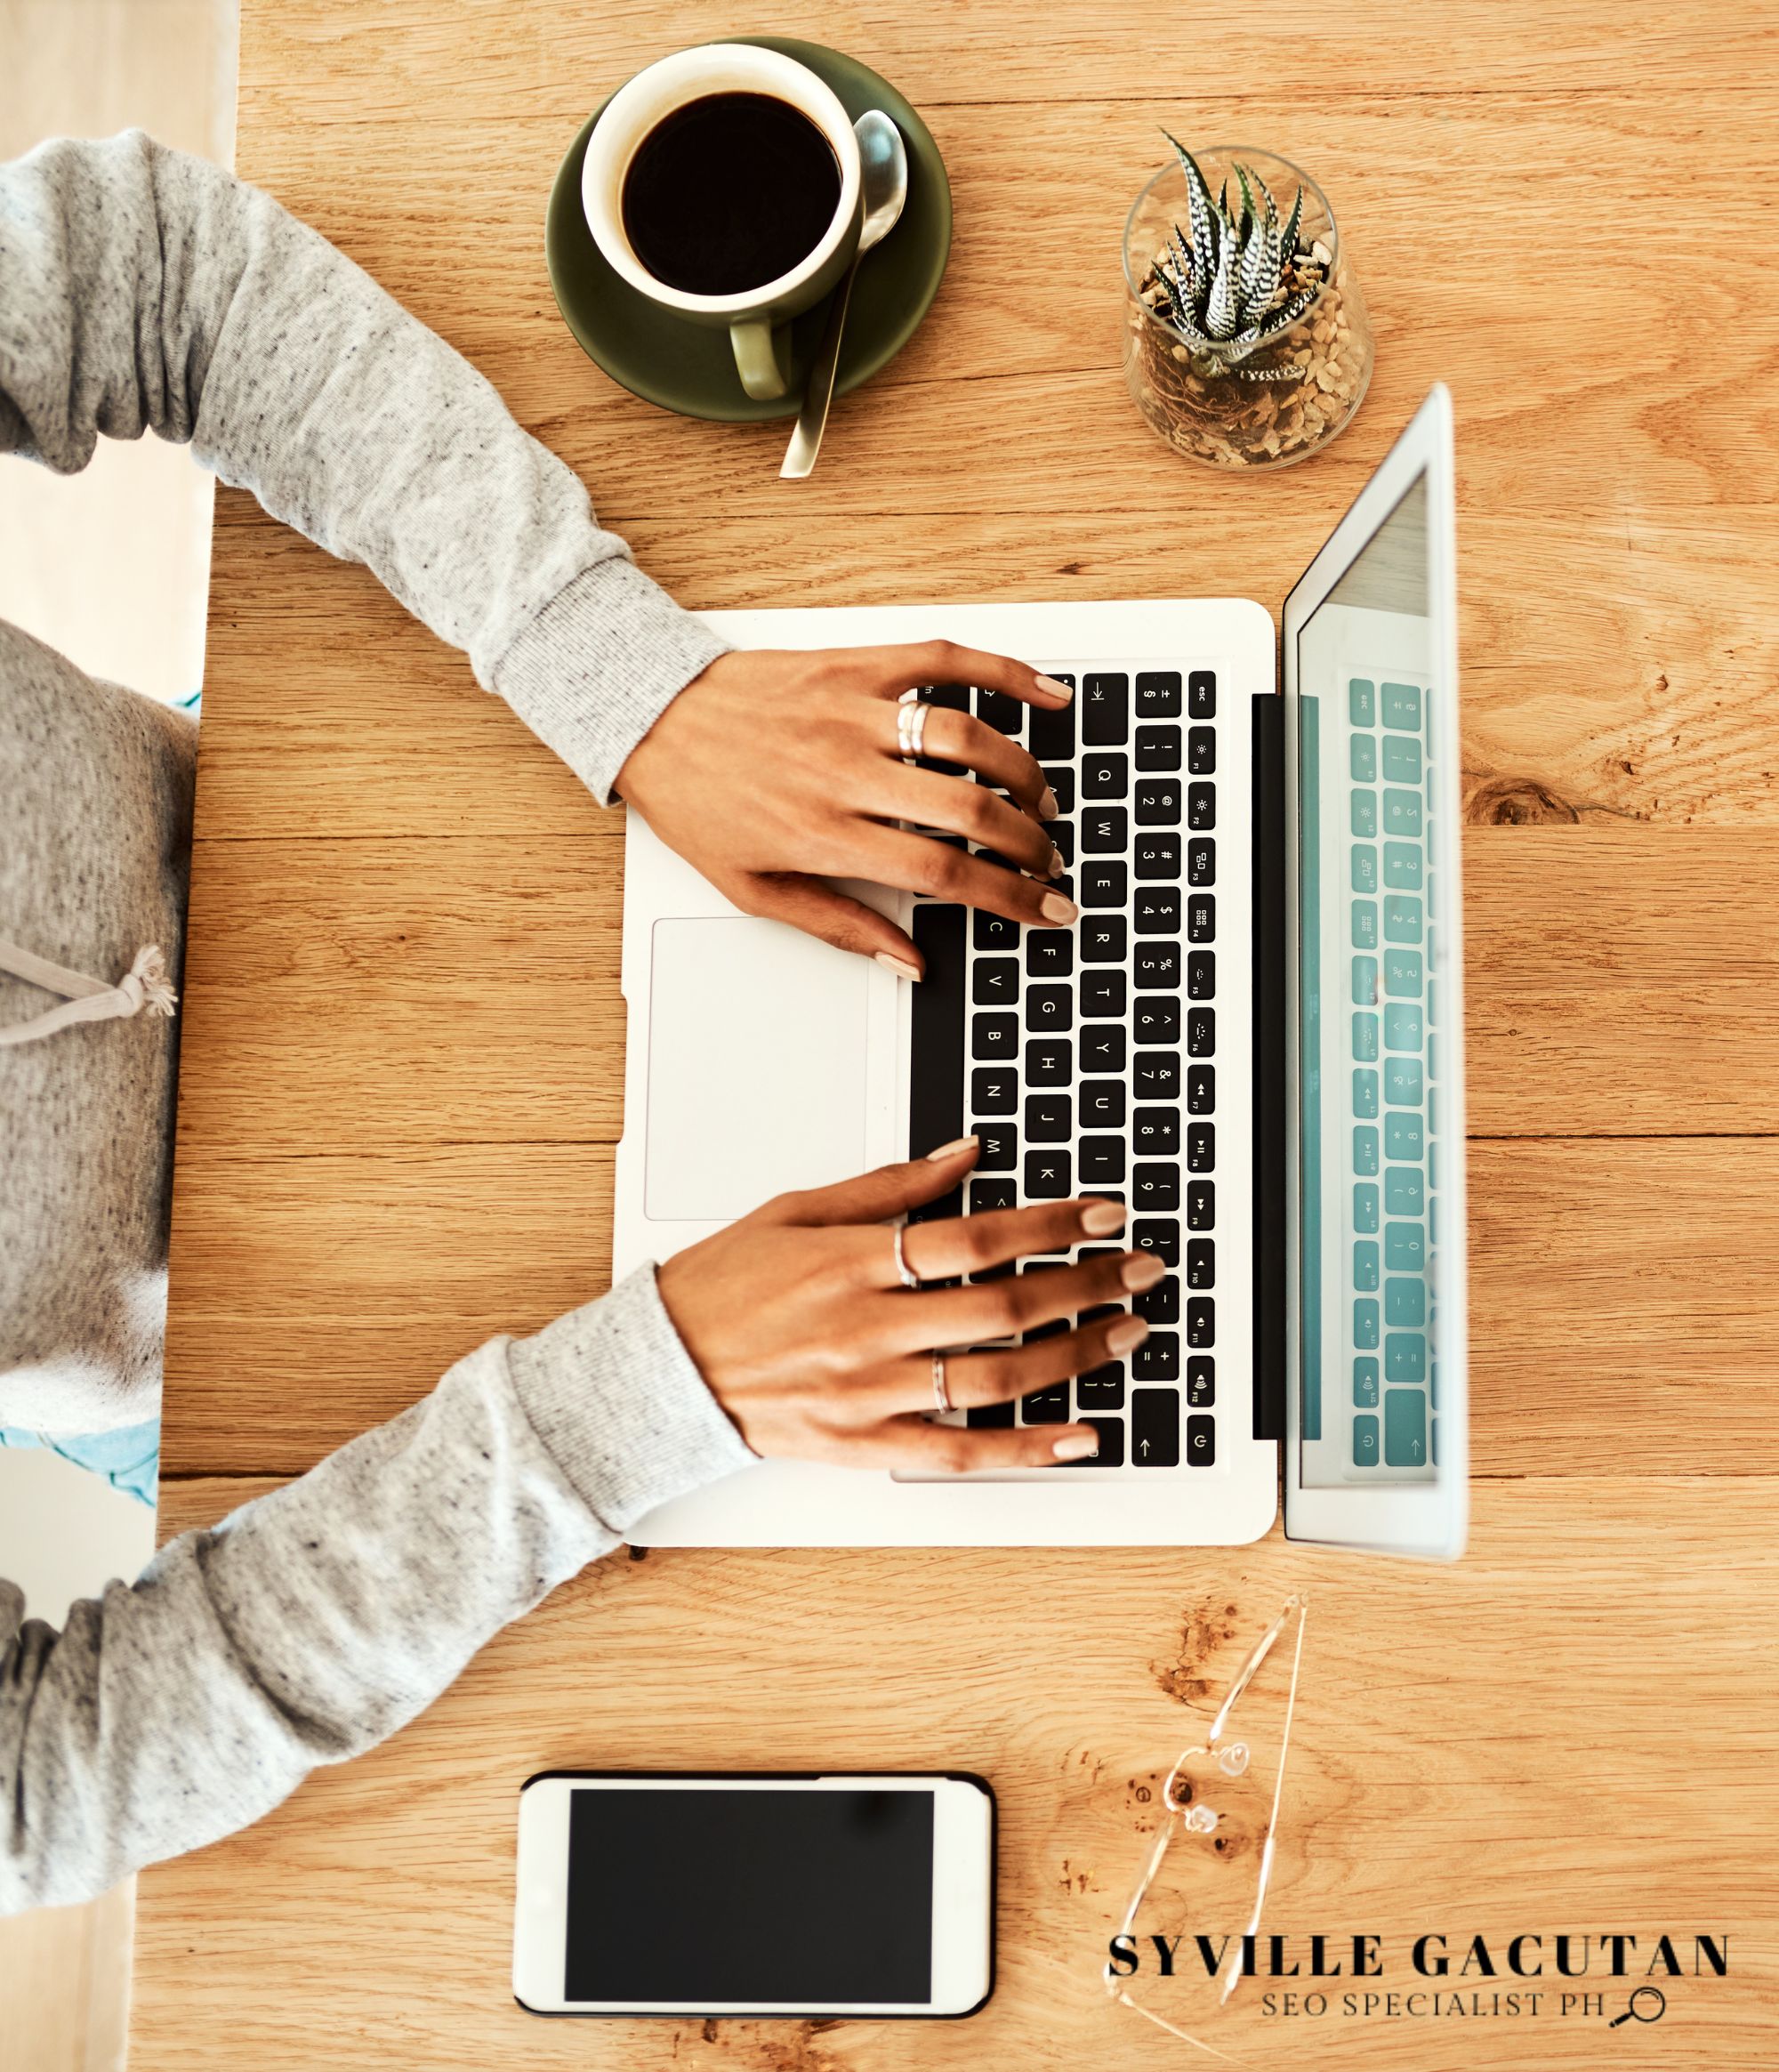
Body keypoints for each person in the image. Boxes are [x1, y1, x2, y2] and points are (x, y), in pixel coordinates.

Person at [0, 133, 1157, 1914]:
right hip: (278, 1358)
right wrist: (621, 1416)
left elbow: (150, 266)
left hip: (330, 798)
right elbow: (35, 1778)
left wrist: (626, 678)